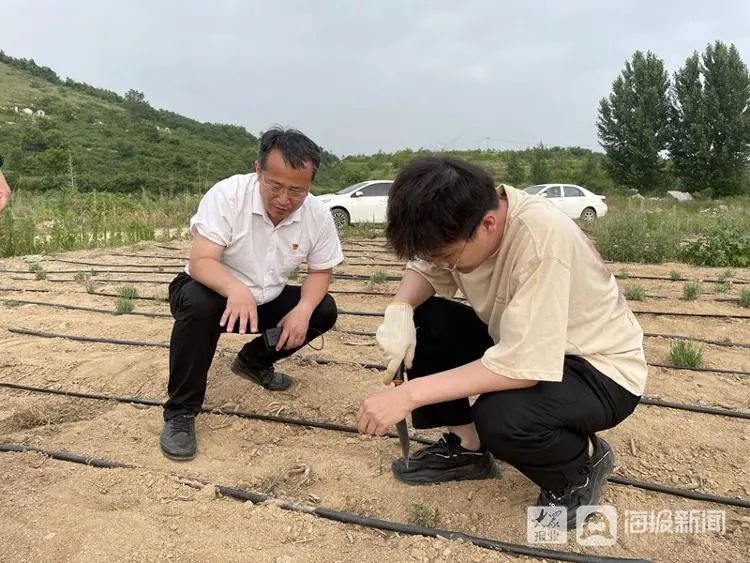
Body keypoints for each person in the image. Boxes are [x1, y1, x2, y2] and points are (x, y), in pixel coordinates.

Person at [357, 156, 647, 528]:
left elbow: (522, 366)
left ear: (488, 224)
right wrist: (400, 308)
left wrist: (410, 395)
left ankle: (581, 465)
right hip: (526, 342)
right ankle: (468, 449)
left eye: (448, 258)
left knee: (502, 417)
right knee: (426, 319)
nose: (444, 266)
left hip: (599, 368)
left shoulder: (541, 241)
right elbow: (427, 269)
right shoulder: (464, 219)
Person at [161, 127, 343, 461]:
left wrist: (303, 309)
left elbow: (321, 271)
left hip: (264, 298)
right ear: (258, 170)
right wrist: (235, 288)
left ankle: (253, 362)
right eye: (275, 186)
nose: (284, 199)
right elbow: (201, 261)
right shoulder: (228, 195)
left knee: (323, 309)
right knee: (200, 304)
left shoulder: (316, 214)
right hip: (211, 290)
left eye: (296, 190)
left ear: (311, 184)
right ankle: (181, 412)